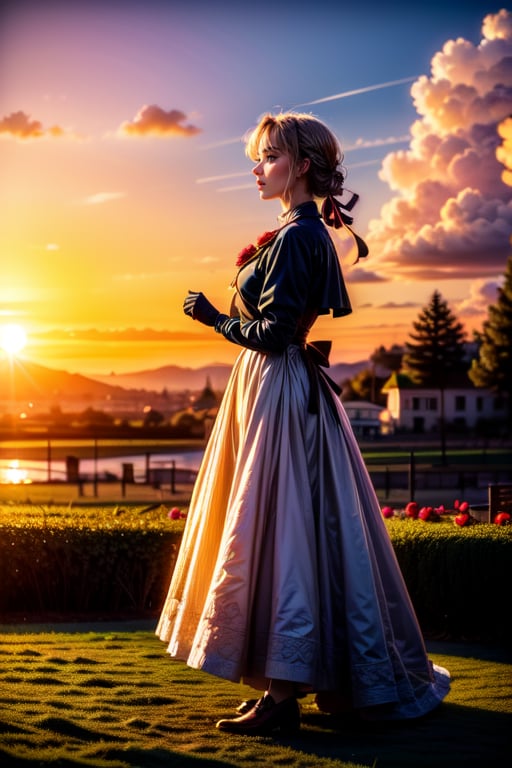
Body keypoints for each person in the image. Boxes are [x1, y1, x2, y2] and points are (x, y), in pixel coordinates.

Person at [157, 111, 450, 736]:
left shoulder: (297, 238)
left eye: (266, 157)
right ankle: (283, 688)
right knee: (284, 532)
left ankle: (282, 695)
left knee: (281, 531)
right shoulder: (296, 233)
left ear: (302, 166)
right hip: (281, 390)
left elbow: (274, 333)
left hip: (281, 392)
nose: (256, 168)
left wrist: (213, 316)